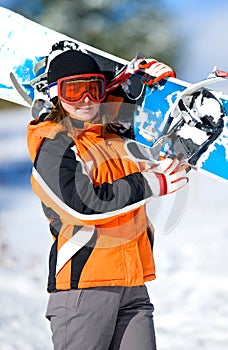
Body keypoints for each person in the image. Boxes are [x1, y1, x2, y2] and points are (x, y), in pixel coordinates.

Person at [27, 43, 190, 350]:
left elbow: (131, 131)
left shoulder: (111, 137)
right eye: (74, 91)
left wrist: (138, 85)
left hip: (133, 284)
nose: (86, 99)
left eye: (94, 88)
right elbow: (83, 203)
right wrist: (152, 183)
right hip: (84, 289)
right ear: (55, 94)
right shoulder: (52, 144)